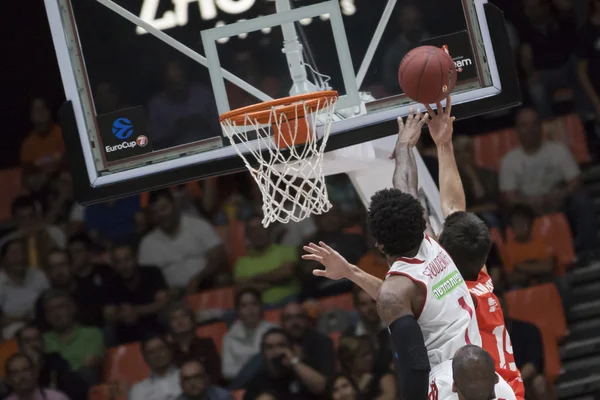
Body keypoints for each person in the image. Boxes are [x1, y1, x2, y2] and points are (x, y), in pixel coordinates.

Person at [303, 99, 483, 400]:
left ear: (379, 244)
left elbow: (414, 366)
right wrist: (403, 147)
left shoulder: (395, 293)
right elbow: (406, 185)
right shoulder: (430, 242)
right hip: (480, 372)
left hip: (450, 387)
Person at [499, 108, 598, 256]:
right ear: (517, 130)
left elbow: (575, 180)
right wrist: (531, 201)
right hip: (528, 209)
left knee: (582, 201)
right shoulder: (509, 160)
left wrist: (561, 195)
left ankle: (590, 253)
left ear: (540, 126)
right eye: (525, 125)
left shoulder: (558, 150)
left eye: (534, 124)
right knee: (513, 215)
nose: (530, 129)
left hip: (560, 201)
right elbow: (509, 196)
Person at [138, 189, 227, 292]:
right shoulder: (147, 244)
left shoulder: (198, 225)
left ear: (174, 205)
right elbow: (146, 280)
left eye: (164, 208)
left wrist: (198, 279)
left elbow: (218, 255)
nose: (161, 215)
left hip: (205, 288)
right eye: (155, 212)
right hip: (171, 299)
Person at [105, 242, 170, 344]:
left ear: (135, 259)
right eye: (118, 262)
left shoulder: (152, 272)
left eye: (127, 259)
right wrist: (124, 316)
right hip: (127, 334)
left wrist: (137, 311)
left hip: (156, 326)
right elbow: (109, 315)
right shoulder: (111, 283)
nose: (124, 266)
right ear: (113, 265)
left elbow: (163, 303)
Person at [233, 215, 301, 306]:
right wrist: (275, 279)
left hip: (289, 302)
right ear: (247, 236)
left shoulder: (287, 250)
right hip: (260, 308)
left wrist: (254, 279)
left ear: (269, 230)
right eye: (253, 230)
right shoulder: (241, 263)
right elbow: (241, 288)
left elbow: (286, 273)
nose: (258, 233)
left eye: (261, 228)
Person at [243, 328, 327, 399]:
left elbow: (322, 387)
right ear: (263, 353)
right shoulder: (257, 382)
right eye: (270, 347)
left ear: (291, 349)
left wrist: (294, 361)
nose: (276, 351)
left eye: (281, 345)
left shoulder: (303, 370)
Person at [42, 291, 104, 385]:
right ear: (46, 317)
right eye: (51, 310)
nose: (56, 314)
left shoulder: (91, 333)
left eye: (60, 307)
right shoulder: (42, 339)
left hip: (82, 384)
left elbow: (90, 364)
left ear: (72, 309)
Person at [13, 324, 88, 400]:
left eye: (37, 339)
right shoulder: (14, 365)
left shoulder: (55, 359)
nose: (33, 344)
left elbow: (73, 386)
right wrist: (34, 365)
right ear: (19, 347)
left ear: (43, 343)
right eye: (27, 341)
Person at [222, 288, 277, 380]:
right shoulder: (229, 337)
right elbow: (227, 371)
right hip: (242, 383)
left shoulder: (274, 330)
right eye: (244, 306)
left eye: (254, 304)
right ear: (238, 311)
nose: (250, 310)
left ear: (261, 307)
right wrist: (250, 368)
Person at [0, 238, 49, 339]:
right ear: (3, 259)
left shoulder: (38, 275)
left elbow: (49, 301)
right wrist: (20, 319)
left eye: (22, 252)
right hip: (13, 329)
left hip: (43, 322)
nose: (20, 258)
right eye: (14, 253)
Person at [165, 302, 222, 384]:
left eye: (184, 316)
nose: (179, 321)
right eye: (174, 318)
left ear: (192, 321)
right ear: (170, 326)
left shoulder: (206, 344)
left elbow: (216, 373)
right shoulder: (168, 351)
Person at [503, 205, 556, 287]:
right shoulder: (506, 250)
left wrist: (520, 267)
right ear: (511, 228)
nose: (520, 226)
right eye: (516, 223)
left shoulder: (542, 242)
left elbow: (548, 267)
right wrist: (537, 267)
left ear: (530, 224)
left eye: (523, 222)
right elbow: (511, 278)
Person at [343, 287, 390, 375]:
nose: (370, 308)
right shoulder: (349, 336)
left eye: (373, 302)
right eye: (364, 304)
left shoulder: (393, 329)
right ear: (356, 307)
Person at [130, 335, 181, 400]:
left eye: (160, 348)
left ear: (169, 350)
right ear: (145, 358)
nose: (157, 354)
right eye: (151, 352)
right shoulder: (138, 390)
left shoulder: (187, 377)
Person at [3, 353, 69, 400]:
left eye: (26, 370)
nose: (22, 376)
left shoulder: (56, 398)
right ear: (8, 380)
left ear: (35, 373)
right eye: (15, 373)